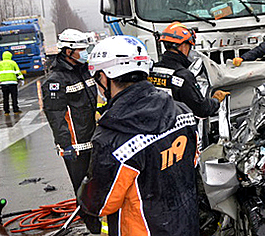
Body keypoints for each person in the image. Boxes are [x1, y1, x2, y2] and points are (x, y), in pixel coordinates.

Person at [78, 35, 199, 236]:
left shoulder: (113, 140)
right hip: (186, 225)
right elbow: (192, 164)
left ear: (104, 77)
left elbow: (101, 204)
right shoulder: (183, 112)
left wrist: (84, 193)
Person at [42, 29, 97, 196]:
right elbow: (56, 115)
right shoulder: (55, 81)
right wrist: (66, 145)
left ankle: (100, 220)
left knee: (98, 188)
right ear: (68, 51)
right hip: (75, 147)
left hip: (93, 140)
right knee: (83, 191)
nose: (84, 53)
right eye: (81, 50)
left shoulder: (84, 71)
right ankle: (90, 221)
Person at [149, 21, 229, 118]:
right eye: (189, 46)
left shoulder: (153, 69)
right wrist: (215, 100)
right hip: (178, 128)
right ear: (183, 46)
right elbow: (201, 109)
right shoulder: (183, 75)